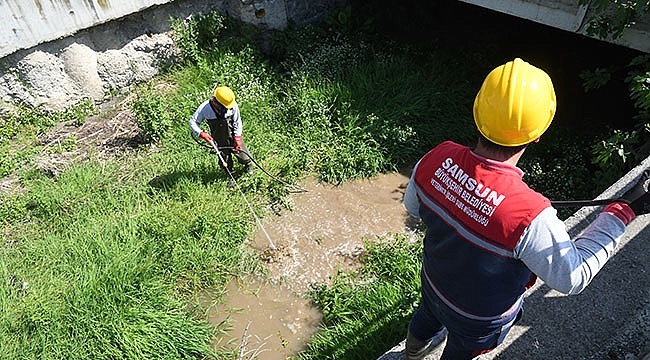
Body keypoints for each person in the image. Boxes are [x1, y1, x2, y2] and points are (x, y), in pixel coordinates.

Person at [402, 58, 650, 360]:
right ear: (537, 134)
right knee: (462, 351)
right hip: (480, 320)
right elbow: (572, 277)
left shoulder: (435, 158)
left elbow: (413, 208)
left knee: (426, 316)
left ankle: (412, 352)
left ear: (478, 113)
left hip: (433, 283)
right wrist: (620, 213)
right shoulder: (531, 216)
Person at [189, 86, 254, 184]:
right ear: (216, 102)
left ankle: (248, 165)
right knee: (225, 161)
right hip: (218, 139)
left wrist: (238, 137)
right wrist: (201, 134)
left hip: (233, 135)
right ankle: (230, 175)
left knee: (244, 155)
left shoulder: (232, 105)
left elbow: (237, 122)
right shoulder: (205, 108)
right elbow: (193, 122)